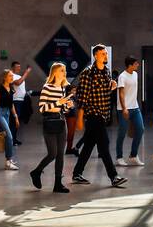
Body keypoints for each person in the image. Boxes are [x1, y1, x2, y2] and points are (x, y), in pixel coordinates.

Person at [71, 46, 127, 188]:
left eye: (106, 53)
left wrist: (111, 86)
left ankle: (77, 173)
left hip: (103, 114)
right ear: (96, 55)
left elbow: (103, 90)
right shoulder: (88, 73)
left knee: (88, 146)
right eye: (103, 53)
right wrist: (80, 118)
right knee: (104, 145)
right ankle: (113, 176)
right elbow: (83, 96)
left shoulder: (106, 71)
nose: (105, 55)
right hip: (93, 114)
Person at [30, 63, 75, 193]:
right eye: (62, 70)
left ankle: (57, 184)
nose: (64, 73)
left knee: (61, 154)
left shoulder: (62, 88)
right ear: (54, 72)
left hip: (61, 121)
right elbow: (42, 108)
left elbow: (63, 110)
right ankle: (37, 172)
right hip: (49, 121)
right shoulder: (47, 87)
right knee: (53, 154)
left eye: (64, 70)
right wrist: (58, 102)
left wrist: (68, 105)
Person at [115, 56, 144, 166]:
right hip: (124, 109)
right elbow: (121, 94)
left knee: (140, 129)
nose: (138, 65)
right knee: (122, 133)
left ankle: (133, 155)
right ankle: (119, 157)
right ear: (130, 65)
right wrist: (124, 108)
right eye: (136, 63)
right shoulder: (122, 76)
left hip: (135, 107)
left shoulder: (135, 74)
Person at [8, 61, 32, 145]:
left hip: (20, 101)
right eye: (17, 66)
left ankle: (13, 138)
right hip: (15, 101)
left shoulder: (18, 76)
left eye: (19, 66)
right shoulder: (11, 75)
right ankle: (11, 140)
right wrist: (26, 72)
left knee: (17, 121)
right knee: (14, 121)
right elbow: (18, 83)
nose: (19, 68)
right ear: (12, 67)